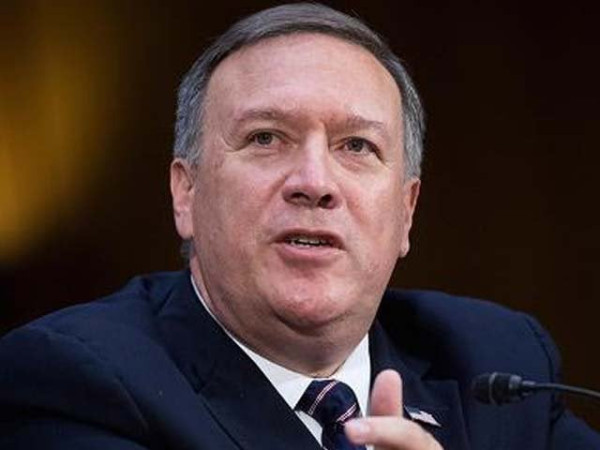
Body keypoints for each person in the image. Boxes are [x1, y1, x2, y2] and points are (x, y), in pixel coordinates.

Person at [0, 3, 598, 449]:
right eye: (266, 138)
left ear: (406, 212)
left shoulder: (495, 366)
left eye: (357, 146)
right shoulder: (74, 382)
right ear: (186, 193)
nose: (315, 181)